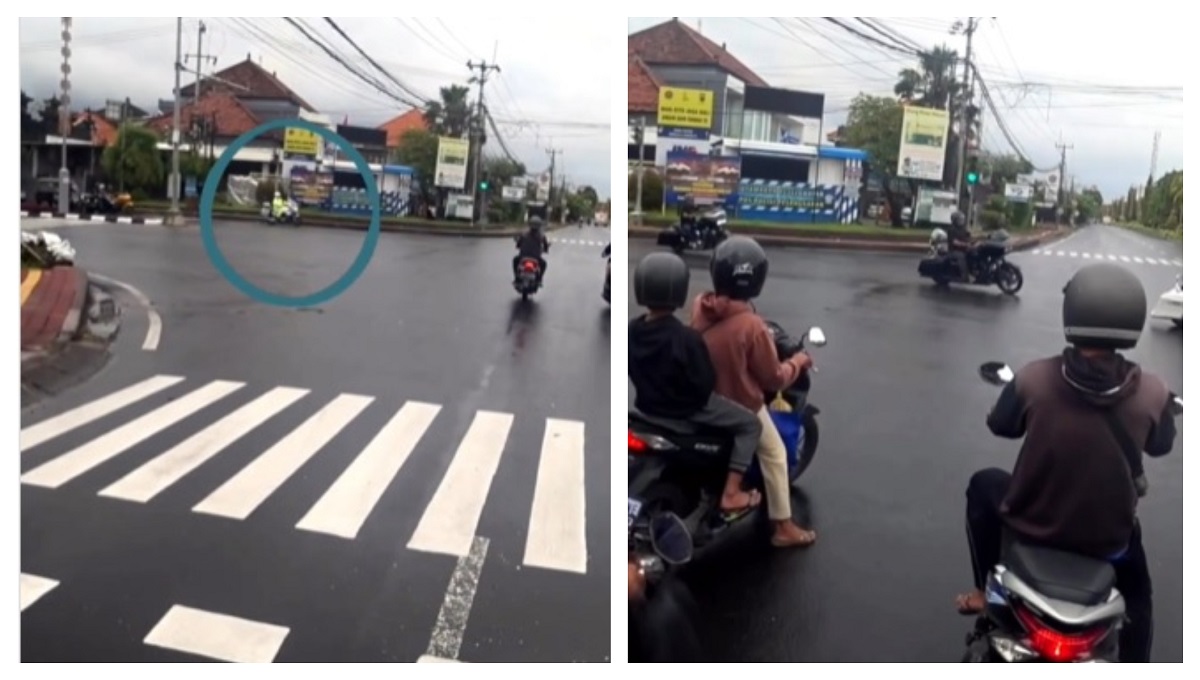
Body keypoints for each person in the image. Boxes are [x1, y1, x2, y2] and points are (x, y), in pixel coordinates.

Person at [955, 262, 1178, 663]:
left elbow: (1000, 425)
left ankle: (983, 591)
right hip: (1109, 543)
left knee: (983, 484)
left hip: (1030, 531)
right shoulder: (1154, 392)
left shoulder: (1033, 379)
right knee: (1140, 601)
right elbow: (1162, 446)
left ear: (1071, 313)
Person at [689, 237, 817, 548]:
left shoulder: (701, 305)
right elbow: (773, 379)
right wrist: (798, 362)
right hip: (738, 401)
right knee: (775, 453)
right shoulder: (753, 327)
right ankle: (783, 528)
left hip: (701, 398)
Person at [629, 252, 765, 518]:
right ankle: (732, 493)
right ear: (679, 290)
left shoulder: (632, 330)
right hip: (687, 411)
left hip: (647, 408)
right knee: (751, 425)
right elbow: (705, 383)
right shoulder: (686, 338)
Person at [512, 216, 550, 284]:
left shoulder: (524, 234)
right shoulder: (541, 236)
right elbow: (546, 246)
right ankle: (539, 279)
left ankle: (516, 277)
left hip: (523, 257)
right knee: (544, 264)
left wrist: (519, 245)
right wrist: (546, 249)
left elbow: (518, 244)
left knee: (515, 260)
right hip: (536, 258)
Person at [946, 210, 973, 281]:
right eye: (960, 219)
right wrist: (966, 245)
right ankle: (964, 276)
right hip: (954, 250)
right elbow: (954, 242)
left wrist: (984, 237)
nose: (962, 221)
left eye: (962, 219)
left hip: (964, 249)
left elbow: (971, 236)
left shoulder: (963, 229)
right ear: (955, 220)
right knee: (961, 257)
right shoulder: (951, 229)